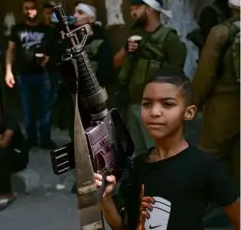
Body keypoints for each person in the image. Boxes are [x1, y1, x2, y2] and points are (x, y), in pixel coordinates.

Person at [94, 67, 240, 230]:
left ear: (189, 112)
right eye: (147, 104)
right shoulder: (138, 166)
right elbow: (122, 227)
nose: (155, 112)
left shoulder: (205, 166)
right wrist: (104, 197)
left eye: (167, 104)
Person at [117, 0, 186, 157]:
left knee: (157, 151)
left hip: (156, 107)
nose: (132, 11)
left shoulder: (169, 39)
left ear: (149, 9)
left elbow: (176, 74)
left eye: (137, 7)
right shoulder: (135, 35)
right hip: (134, 103)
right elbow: (117, 64)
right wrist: (127, 51)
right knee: (135, 151)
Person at [192, 0, 240, 187]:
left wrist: (194, 103)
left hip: (222, 106)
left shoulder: (221, 33)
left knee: (209, 156)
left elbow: (206, 73)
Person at [5, 0, 56, 149]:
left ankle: (45, 138)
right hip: (23, 74)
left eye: (32, 8)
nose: (29, 11)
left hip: (43, 74)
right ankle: (31, 138)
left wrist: (47, 58)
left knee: (46, 109)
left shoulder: (46, 29)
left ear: (37, 10)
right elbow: (10, 50)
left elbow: (53, 51)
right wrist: (8, 71)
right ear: (23, 11)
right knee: (27, 109)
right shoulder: (17, 29)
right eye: (26, 9)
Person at [59, 2, 113, 138]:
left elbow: (105, 70)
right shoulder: (70, 40)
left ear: (91, 19)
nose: (75, 15)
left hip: (94, 98)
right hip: (75, 97)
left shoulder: (100, 42)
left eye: (80, 12)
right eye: (75, 12)